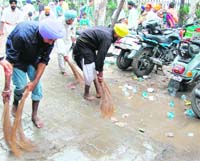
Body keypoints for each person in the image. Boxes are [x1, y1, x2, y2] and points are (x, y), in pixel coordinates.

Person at [5, 19, 64, 128]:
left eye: (53, 40)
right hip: (18, 61)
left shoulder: (50, 38)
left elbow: (44, 61)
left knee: (37, 88)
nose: (51, 43)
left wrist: (34, 81)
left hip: (33, 60)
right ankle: (16, 102)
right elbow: (10, 63)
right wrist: (7, 87)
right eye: (50, 40)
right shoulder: (21, 35)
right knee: (21, 87)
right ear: (42, 34)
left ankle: (34, 115)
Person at [73, 23, 129, 101]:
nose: (120, 39)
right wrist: (100, 72)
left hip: (89, 44)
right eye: (120, 37)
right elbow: (101, 56)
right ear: (117, 34)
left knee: (94, 67)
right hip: (84, 43)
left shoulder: (109, 32)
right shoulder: (108, 38)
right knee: (90, 67)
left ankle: (98, 91)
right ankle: (86, 94)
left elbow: (100, 56)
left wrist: (99, 70)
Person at [55, 10, 77, 76]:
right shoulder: (59, 22)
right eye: (70, 20)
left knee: (66, 54)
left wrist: (73, 36)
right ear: (66, 19)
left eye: (72, 20)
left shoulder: (74, 21)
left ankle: (64, 67)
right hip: (60, 38)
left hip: (68, 39)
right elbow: (59, 39)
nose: (72, 22)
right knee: (61, 54)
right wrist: (64, 54)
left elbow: (73, 29)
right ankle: (63, 70)